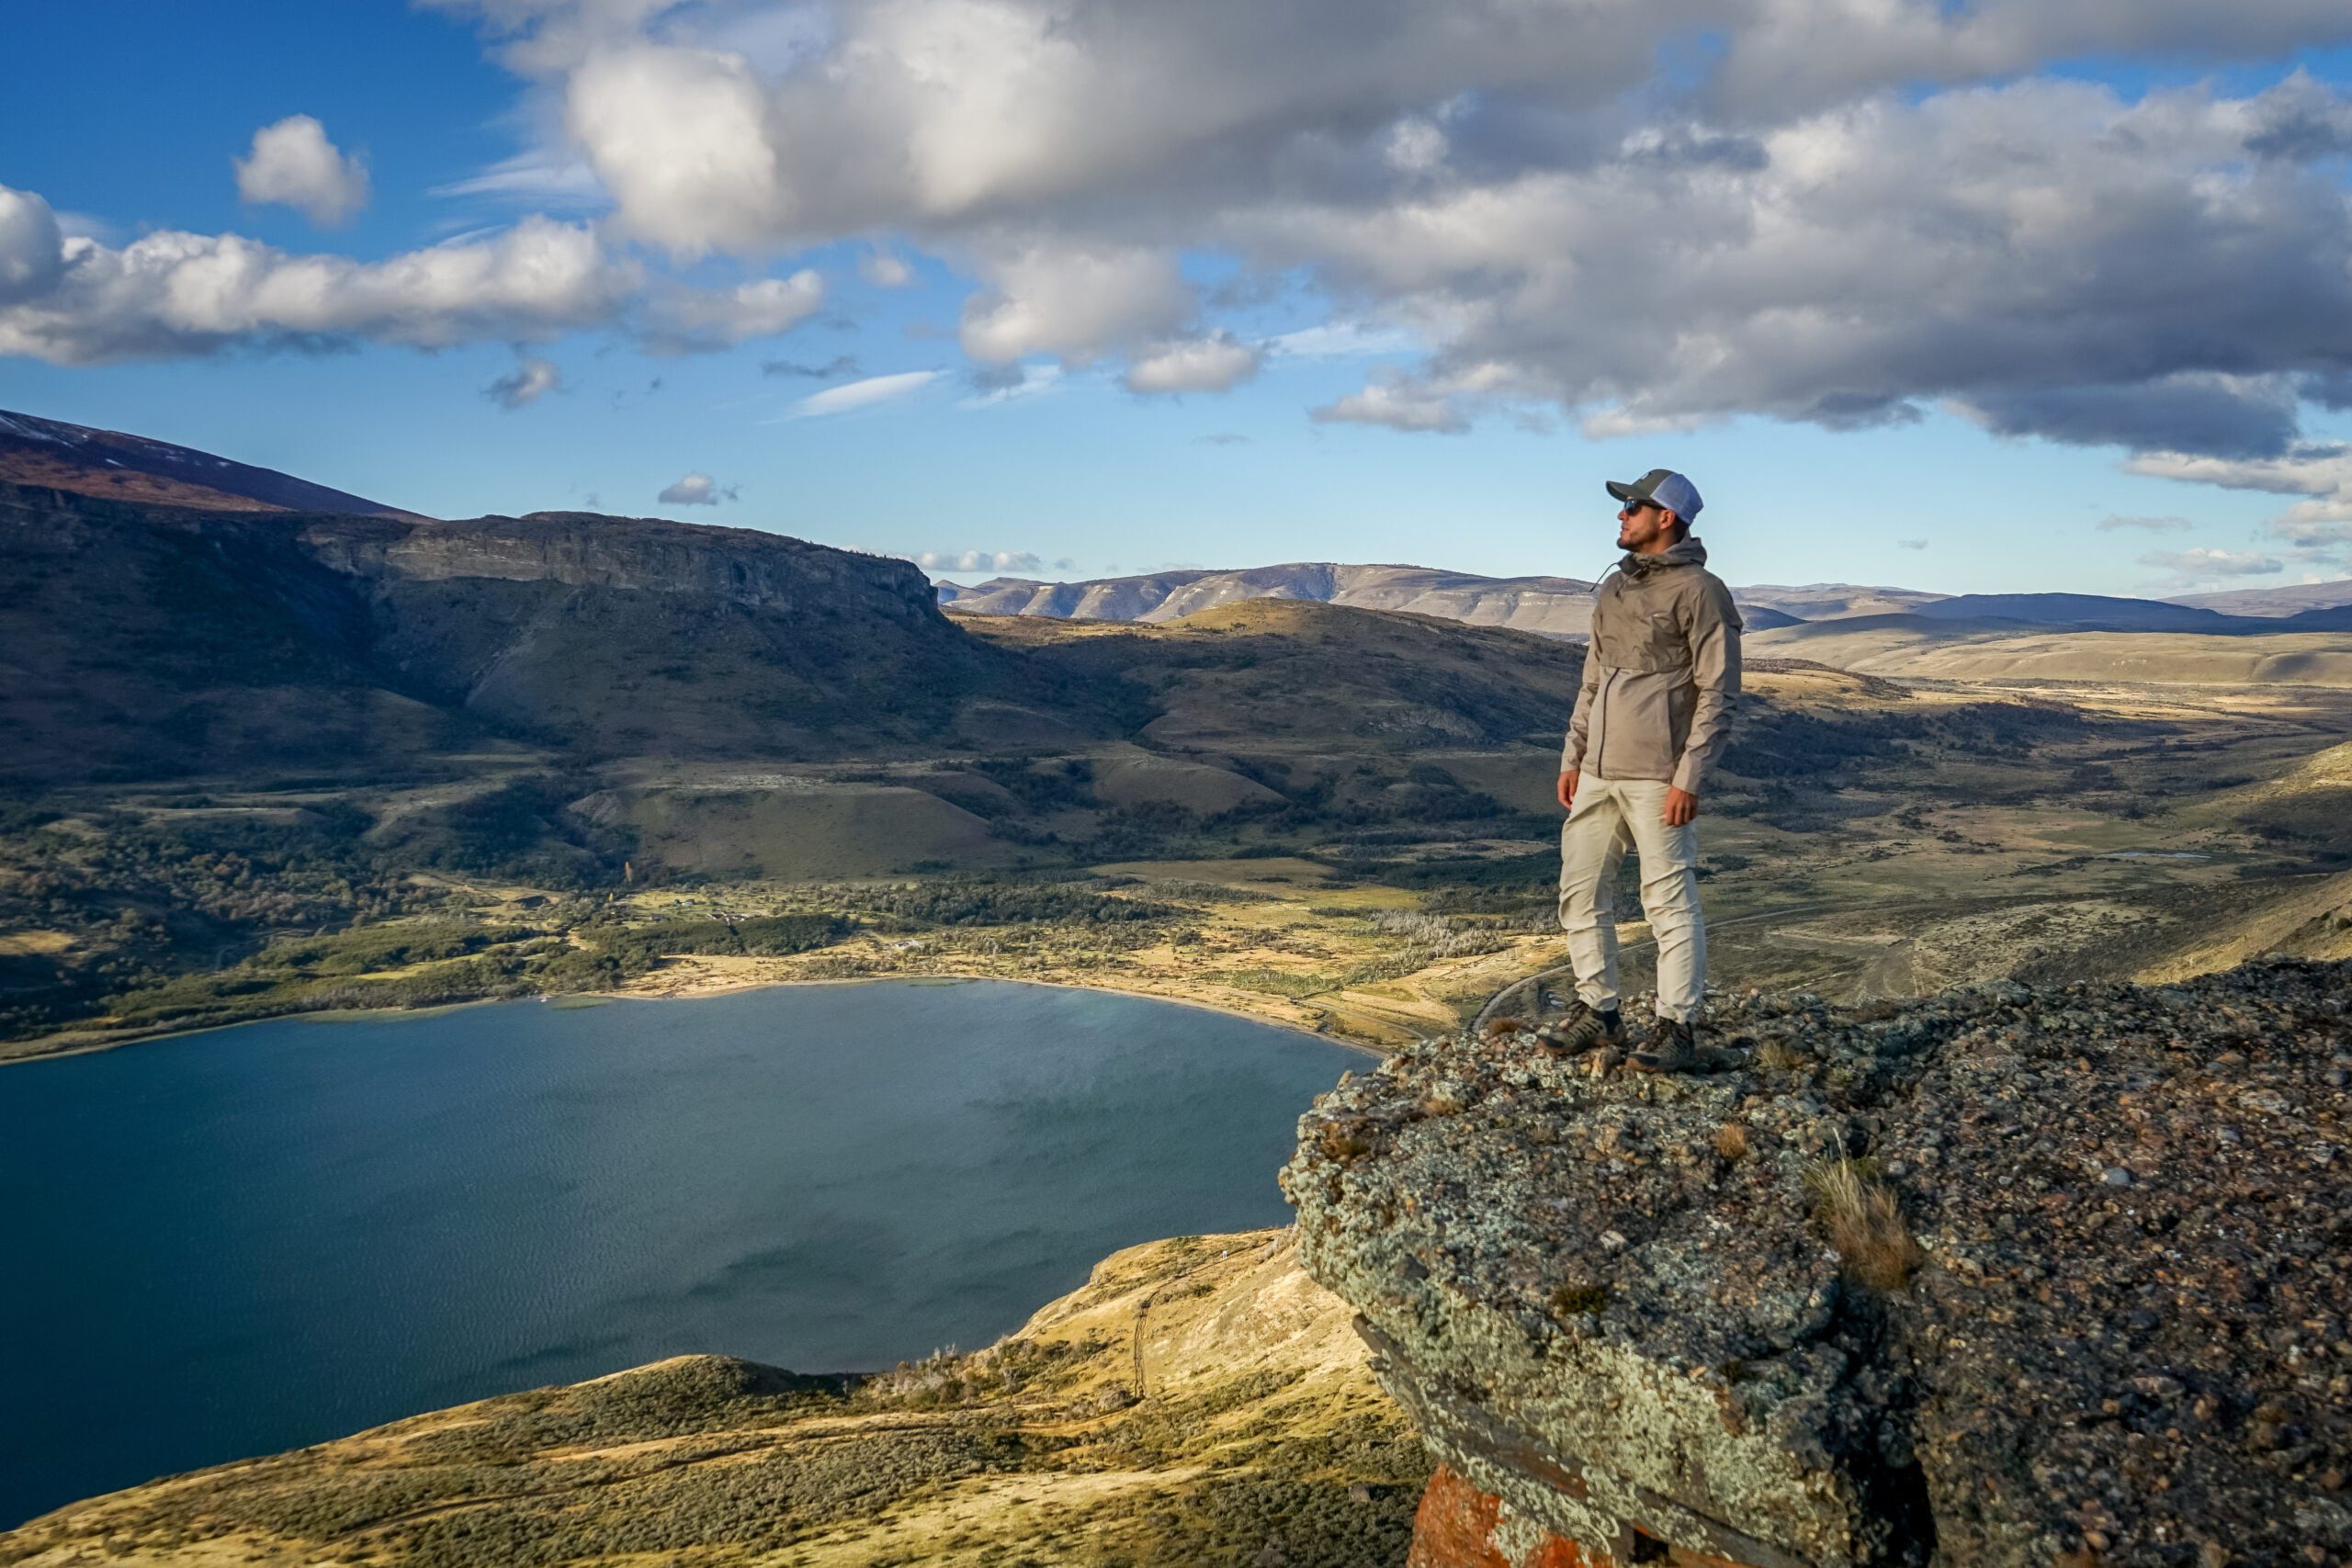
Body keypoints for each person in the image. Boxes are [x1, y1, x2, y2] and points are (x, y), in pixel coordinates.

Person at [1546, 468, 1741, 1073]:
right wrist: (1573, 754)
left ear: (1668, 518)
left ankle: (1676, 1025)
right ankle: (1599, 1010)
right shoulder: (1613, 592)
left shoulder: (1703, 591)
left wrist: (1691, 775)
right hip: (1599, 772)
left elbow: (1718, 692)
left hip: (1660, 773)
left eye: (1634, 506)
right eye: (1624, 506)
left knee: (1668, 901)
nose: (1621, 515)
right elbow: (1593, 680)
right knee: (1579, 893)